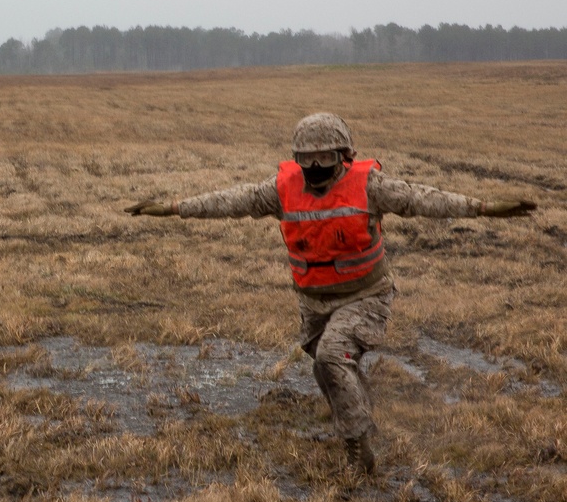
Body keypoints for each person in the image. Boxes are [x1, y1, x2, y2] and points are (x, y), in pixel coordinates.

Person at [124, 113, 537, 475]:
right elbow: (233, 200)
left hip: (366, 297)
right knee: (324, 367)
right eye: (306, 159)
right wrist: (173, 207)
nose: (315, 166)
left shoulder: (370, 185)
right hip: (314, 303)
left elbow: (421, 199)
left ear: (345, 157)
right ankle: (354, 411)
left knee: (331, 357)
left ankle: (358, 446)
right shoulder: (281, 189)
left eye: (325, 157)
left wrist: (484, 208)